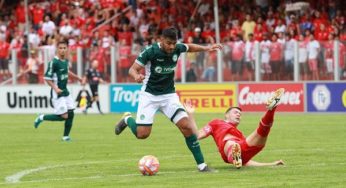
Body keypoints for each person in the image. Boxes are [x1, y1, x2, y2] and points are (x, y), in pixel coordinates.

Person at [115, 27, 222, 172]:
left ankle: (202, 165)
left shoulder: (177, 48)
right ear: (161, 40)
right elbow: (132, 69)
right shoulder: (150, 51)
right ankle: (128, 119)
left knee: (187, 127)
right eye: (168, 43)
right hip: (149, 96)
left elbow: (190, 47)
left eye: (174, 43)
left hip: (169, 96)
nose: (172, 47)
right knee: (142, 134)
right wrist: (136, 76)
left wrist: (208, 48)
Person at [185, 88, 285, 169]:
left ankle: (272, 109)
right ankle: (233, 154)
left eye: (240, 114)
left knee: (263, 130)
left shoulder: (240, 135)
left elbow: (246, 162)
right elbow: (197, 135)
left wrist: (271, 164)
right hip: (228, 148)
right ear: (226, 115)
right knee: (230, 142)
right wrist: (190, 114)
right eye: (235, 112)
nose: (238, 115)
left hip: (242, 149)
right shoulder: (216, 123)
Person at [34, 40, 82, 141]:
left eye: (64, 48)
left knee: (71, 113)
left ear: (67, 49)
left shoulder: (65, 61)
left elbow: (67, 72)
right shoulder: (54, 62)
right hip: (57, 93)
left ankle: (65, 136)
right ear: (57, 50)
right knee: (64, 116)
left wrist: (78, 78)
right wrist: (55, 88)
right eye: (60, 48)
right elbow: (47, 78)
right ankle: (41, 117)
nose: (63, 50)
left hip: (65, 91)